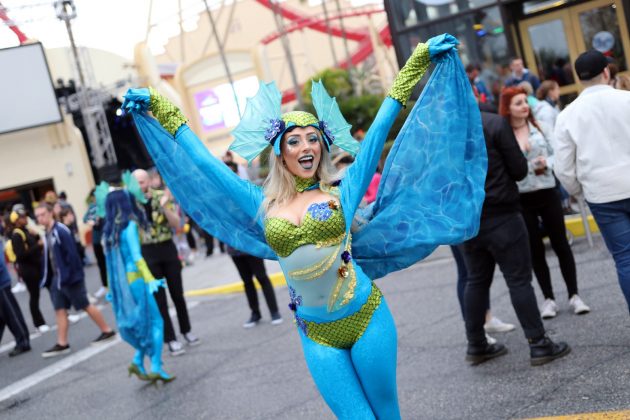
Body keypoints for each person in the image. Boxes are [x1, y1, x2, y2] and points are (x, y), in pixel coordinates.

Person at [124, 34, 487, 418]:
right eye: (294, 141)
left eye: (313, 139)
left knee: (387, 414)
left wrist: (417, 61)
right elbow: (204, 163)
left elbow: (380, 129)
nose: (306, 146)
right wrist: (160, 105)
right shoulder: (261, 204)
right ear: (280, 152)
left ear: (322, 147)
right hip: (317, 335)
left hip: (366, 318)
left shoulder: (342, 194)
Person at [460, 106, 570, 366]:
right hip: (502, 213)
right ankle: (538, 343)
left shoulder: (442, 131)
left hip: (468, 218)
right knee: (519, 280)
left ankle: (476, 344)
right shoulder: (494, 124)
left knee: (476, 280)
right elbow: (519, 170)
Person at [499, 87, 590, 318]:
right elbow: (503, 165)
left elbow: (557, 153)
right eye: (518, 103)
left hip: (547, 191)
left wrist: (546, 162)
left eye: (525, 101)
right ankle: (548, 299)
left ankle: (574, 295)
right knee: (535, 250)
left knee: (561, 244)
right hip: (522, 197)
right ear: (507, 109)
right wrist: (522, 156)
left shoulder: (539, 126)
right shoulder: (503, 134)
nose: (524, 106)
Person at [553, 49, 630, 312]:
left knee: (625, 259)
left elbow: (563, 168)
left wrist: (580, 191)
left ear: (579, 78)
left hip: (602, 194)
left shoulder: (567, 115)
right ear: (606, 72)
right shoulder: (627, 99)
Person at [100, 177, 174, 383]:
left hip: (122, 285)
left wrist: (111, 289)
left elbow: (110, 265)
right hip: (137, 281)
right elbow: (137, 256)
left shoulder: (109, 233)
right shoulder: (130, 226)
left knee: (141, 322)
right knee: (156, 321)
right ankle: (156, 366)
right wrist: (150, 279)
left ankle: (138, 361)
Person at [35, 202, 116, 358]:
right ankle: (62, 343)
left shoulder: (60, 230)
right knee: (59, 309)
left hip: (70, 277)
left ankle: (107, 330)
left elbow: (73, 255)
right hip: (58, 278)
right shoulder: (48, 233)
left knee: (85, 304)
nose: (40, 218)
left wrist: (71, 276)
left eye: (42, 214)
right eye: (37, 216)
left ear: (51, 213)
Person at [132, 169, 199, 356]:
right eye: (136, 182)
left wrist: (164, 207)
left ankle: (186, 331)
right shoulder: (131, 202)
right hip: (148, 252)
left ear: (148, 181)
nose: (140, 186)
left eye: (142, 181)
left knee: (178, 294)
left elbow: (176, 223)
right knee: (159, 300)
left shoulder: (161, 196)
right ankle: (170, 339)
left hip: (167, 248)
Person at [223, 161, 283, 328]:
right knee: (247, 281)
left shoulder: (244, 192)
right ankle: (255, 313)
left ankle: (274, 311)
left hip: (252, 245)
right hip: (234, 247)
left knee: (262, 277)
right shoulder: (222, 197)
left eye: (231, 172)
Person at [10, 209, 49, 332]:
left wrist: (36, 236)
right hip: (29, 270)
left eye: (25, 216)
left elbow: (32, 244)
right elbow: (20, 255)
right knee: (34, 296)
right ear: (16, 221)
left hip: (36, 267)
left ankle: (64, 313)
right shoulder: (17, 235)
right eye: (22, 217)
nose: (25, 218)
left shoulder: (25, 230)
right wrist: (38, 245)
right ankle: (39, 323)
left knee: (50, 289)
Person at [0, 240, 31, 357]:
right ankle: (22, 340)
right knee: (3, 315)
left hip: (2, 284)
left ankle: (23, 341)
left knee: (11, 314)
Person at [84, 189, 108, 299]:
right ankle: (105, 286)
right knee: (101, 264)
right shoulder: (92, 207)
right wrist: (92, 220)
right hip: (96, 240)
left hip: (105, 239)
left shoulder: (104, 205)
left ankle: (111, 286)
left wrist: (99, 219)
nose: (94, 200)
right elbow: (85, 218)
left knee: (108, 263)